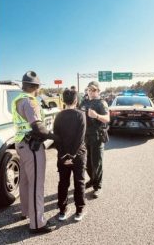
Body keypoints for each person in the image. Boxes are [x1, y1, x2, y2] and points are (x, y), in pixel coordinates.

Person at [12, 71, 59, 234]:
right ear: (36, 87)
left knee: (25, 182)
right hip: (32, 147)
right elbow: (38, 127)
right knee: (36, 185)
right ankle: (37, 223)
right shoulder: (30, 102)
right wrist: (56, 137)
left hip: (20, 144)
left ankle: (26, 212)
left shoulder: (18, 100)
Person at [53, 89, 87, 221]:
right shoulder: (81, 115)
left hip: (62, 157)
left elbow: (56, 137)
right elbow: (80, 138)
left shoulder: (59, 116)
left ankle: (62, 210)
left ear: (62, 100)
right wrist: (72, 156)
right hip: (78, 155)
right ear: (76, 100)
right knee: (79, 182)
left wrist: (64, 156)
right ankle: (79, 210)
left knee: (63, 182)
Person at [79, 81, 110, 198]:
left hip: (97, 137)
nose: (91, 92)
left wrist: (97, 116)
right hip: (85, 137)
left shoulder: (101, 103)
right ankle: (92, 180)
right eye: (89, 89)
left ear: (98, 91)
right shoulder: (84, 102)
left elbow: (107, 119)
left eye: (93, 90)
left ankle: (98, 186)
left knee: (97, 163)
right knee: (87, 163)